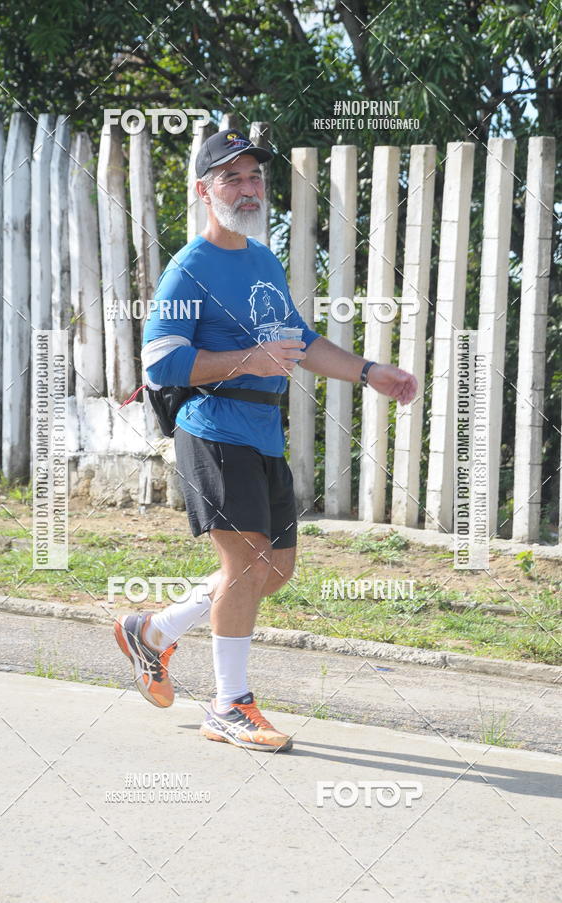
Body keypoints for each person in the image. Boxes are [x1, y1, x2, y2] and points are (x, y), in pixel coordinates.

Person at [114, 129, 418, 753]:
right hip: (212, 427)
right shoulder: (188, 269)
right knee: (246, 564)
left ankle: (153, 629)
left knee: (273, 571)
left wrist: (368, 371)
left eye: (254, 177)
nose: (248, 188)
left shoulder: (262, 259)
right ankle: (229, 705)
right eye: (232, 178)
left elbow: (300, 340)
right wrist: (245, 360)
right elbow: (159, 364)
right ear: (203, 191)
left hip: (262, 434)